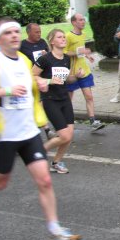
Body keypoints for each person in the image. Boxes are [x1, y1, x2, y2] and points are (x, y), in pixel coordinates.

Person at [0, 17, 82, 240]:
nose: (14, 36)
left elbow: (32, 81)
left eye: (16, 32)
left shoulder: (24, 60)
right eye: (8, 32)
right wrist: (6, 91)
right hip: (4, 134)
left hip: (28, 132)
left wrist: (40, 83)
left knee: (45, 180)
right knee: (0, 181)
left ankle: (55, 229)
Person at [33, 29, 83, 175]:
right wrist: (48, 81)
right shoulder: (45, 59)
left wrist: (76, 76)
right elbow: (32, 76)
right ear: (52, 41)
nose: (63, 39)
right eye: (59, 37)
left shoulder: (66, 58)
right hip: (50, 100)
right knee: (64, 136)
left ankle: (56, 163)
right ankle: (38, 152)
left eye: (63, 37)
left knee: (69, 135)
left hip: (64, 98)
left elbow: (66, 79)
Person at [65, 13, 105, 131]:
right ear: (74, 22)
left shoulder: (83, 34)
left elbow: (81, 50)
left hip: (84, 71)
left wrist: (87, 56)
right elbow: (63, 52)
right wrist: (78, 53)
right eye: (80, 20)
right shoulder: (68, 36)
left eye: (83, 20)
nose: (83, 22)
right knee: (68, 99)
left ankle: (93, 122)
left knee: (89, 96)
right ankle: (66, 121)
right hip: (72, 73)